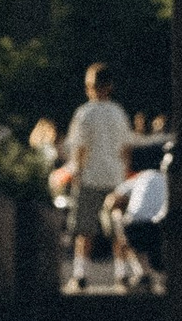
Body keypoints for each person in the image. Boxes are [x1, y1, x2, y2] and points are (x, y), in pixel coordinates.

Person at [59, 64, 134, 290]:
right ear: (110, 87)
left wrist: (77, 173)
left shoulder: (84, 113)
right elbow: (126, 149)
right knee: (117, 230)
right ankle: (122, 274)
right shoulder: (119, 113)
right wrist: (124, 176)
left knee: (84, 229)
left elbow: (80, 148)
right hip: (115, 177)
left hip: (90, 176)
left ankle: (80, 274)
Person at [106, 149, 168, 292]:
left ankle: (143, 273)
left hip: (136, 226)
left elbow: (113, 200)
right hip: (160, 226)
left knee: (119, 219)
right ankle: (162, 276)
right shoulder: (168, 178)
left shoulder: (141, 177)